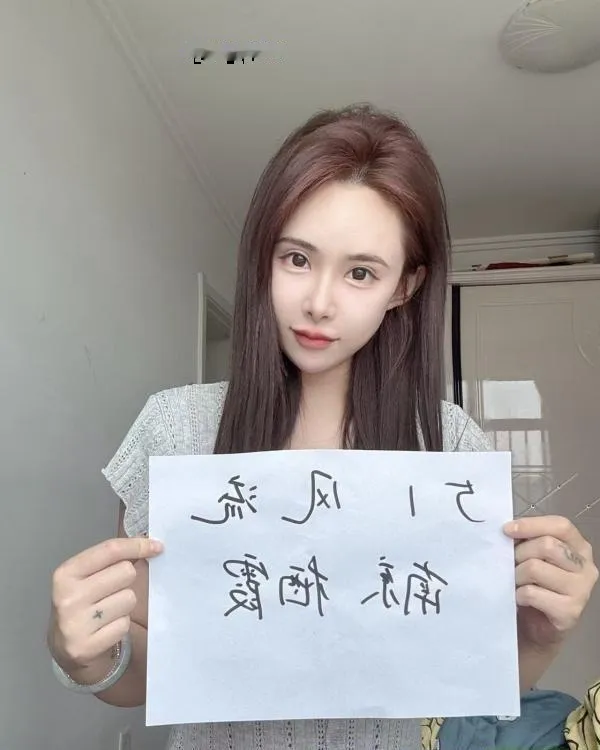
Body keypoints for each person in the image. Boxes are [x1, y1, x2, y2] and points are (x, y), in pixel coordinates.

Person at [46, 103, 598, 750]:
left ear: (404, 287)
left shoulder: (445, 445)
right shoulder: (175, 430)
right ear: (263, 256)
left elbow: (462, 684)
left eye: (361, 273)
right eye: (297, 259)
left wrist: (540, 634)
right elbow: (148, 671)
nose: (319, 303)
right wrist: (84, 652)